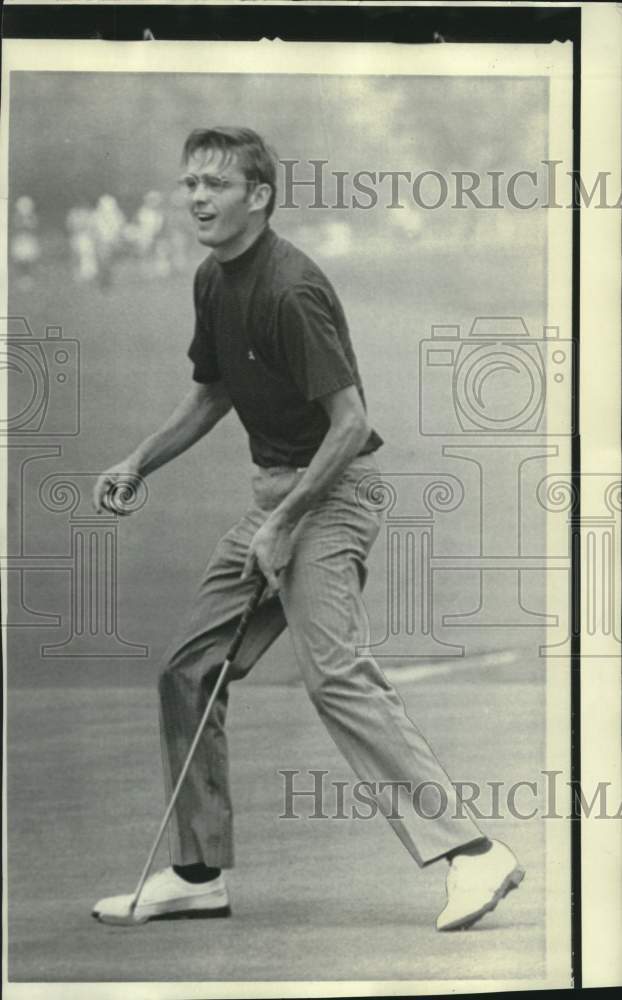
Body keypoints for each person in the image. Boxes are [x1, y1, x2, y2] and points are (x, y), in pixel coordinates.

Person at [92, 127, 523, 931]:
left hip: (335, 493)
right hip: (280, 498)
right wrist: (138, 462)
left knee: (335, 675)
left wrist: (286, 522)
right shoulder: (213, 282)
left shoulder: (291, 289)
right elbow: (214, 392)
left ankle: (473, 852)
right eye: (189, 184)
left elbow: (352, 423)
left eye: (215, 185)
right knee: (190, 669)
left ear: (258, 196)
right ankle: (197, 872)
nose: (196, 199)